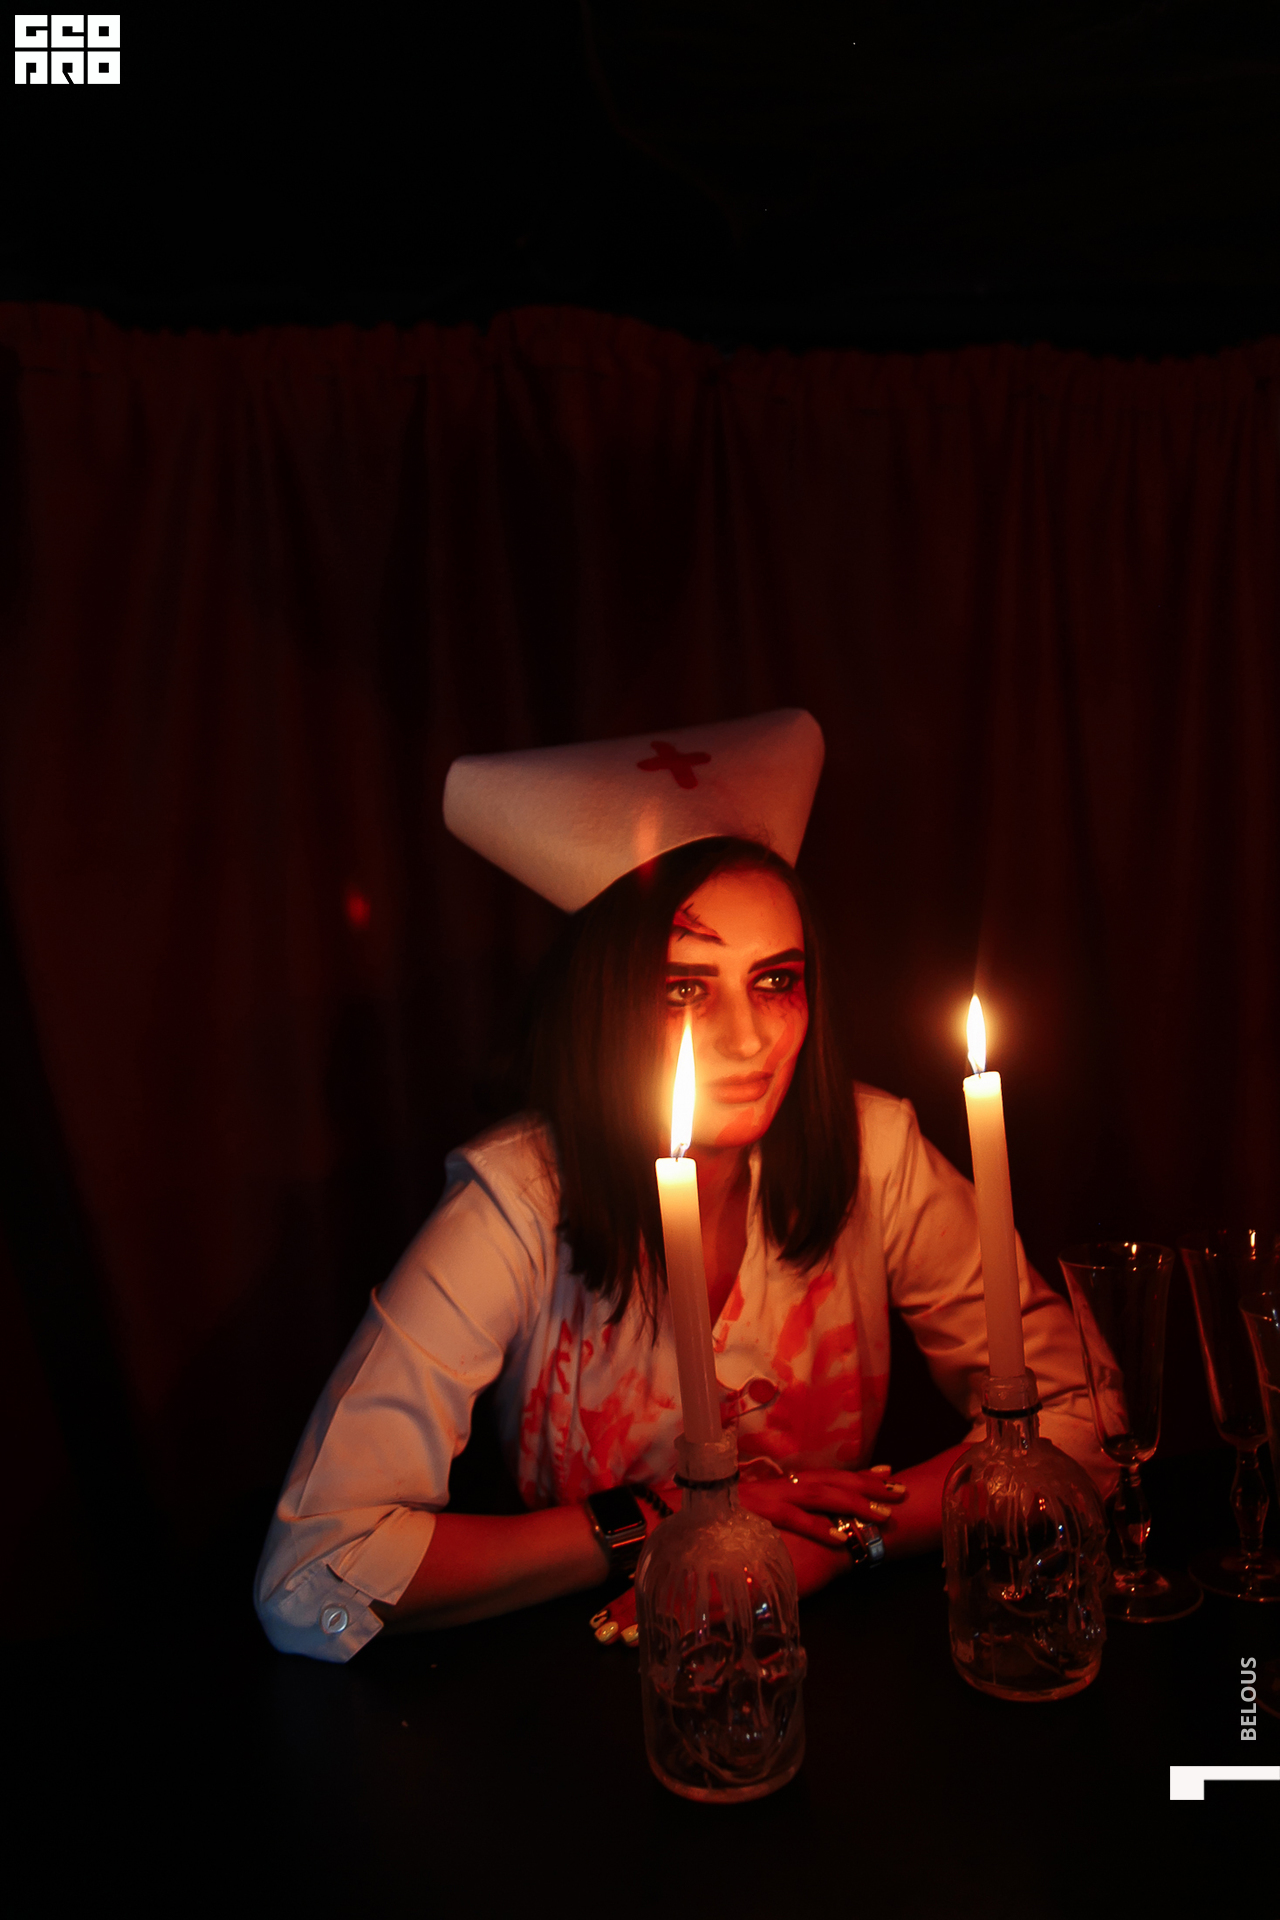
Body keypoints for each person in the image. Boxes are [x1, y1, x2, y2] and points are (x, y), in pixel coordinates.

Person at [255, 711, 1107, 1662]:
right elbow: (316, 1570)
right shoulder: (519, 1200)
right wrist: (657, 1521)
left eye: (775, 981)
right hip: (603, 1675)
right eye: (685, 989)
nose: (747, 1040)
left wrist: (834, 1541)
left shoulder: (876, 1148)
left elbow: (1089, 1416)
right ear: (607, 1003)